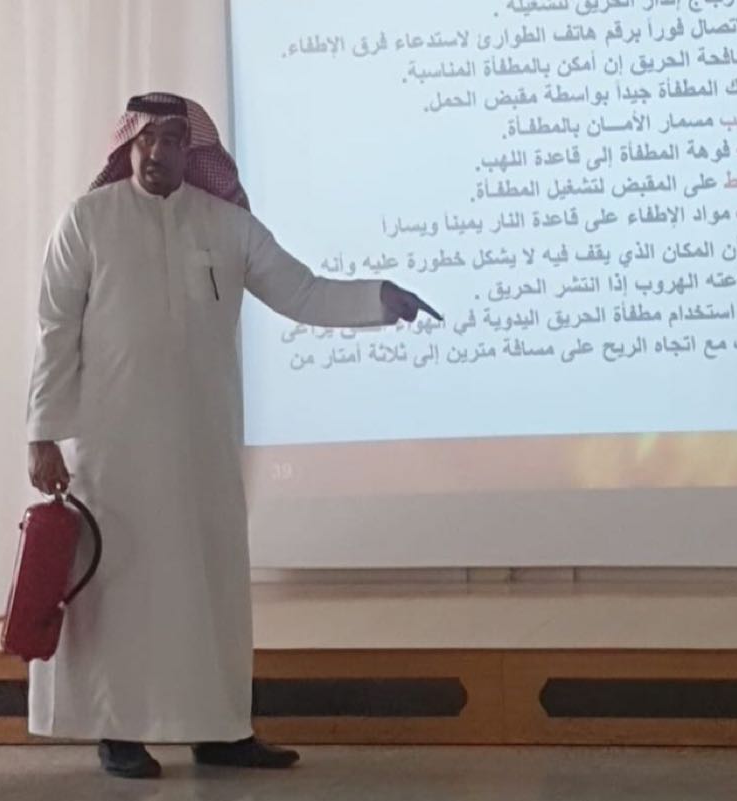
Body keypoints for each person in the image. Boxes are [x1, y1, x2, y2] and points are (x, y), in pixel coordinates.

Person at [25, 92, 439, 779]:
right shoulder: (88, 220)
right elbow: (54, 330)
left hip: (203, 447)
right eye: (147, 139)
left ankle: (220, 730)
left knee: (210, 589)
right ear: (128, 144)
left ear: (194, 151)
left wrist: (377, 298)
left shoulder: (227, 225)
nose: (158, 152)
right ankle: (118, 731)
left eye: (173, 140)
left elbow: (302, 291)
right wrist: (42, 433)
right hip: (113, 450)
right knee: (120, 592)